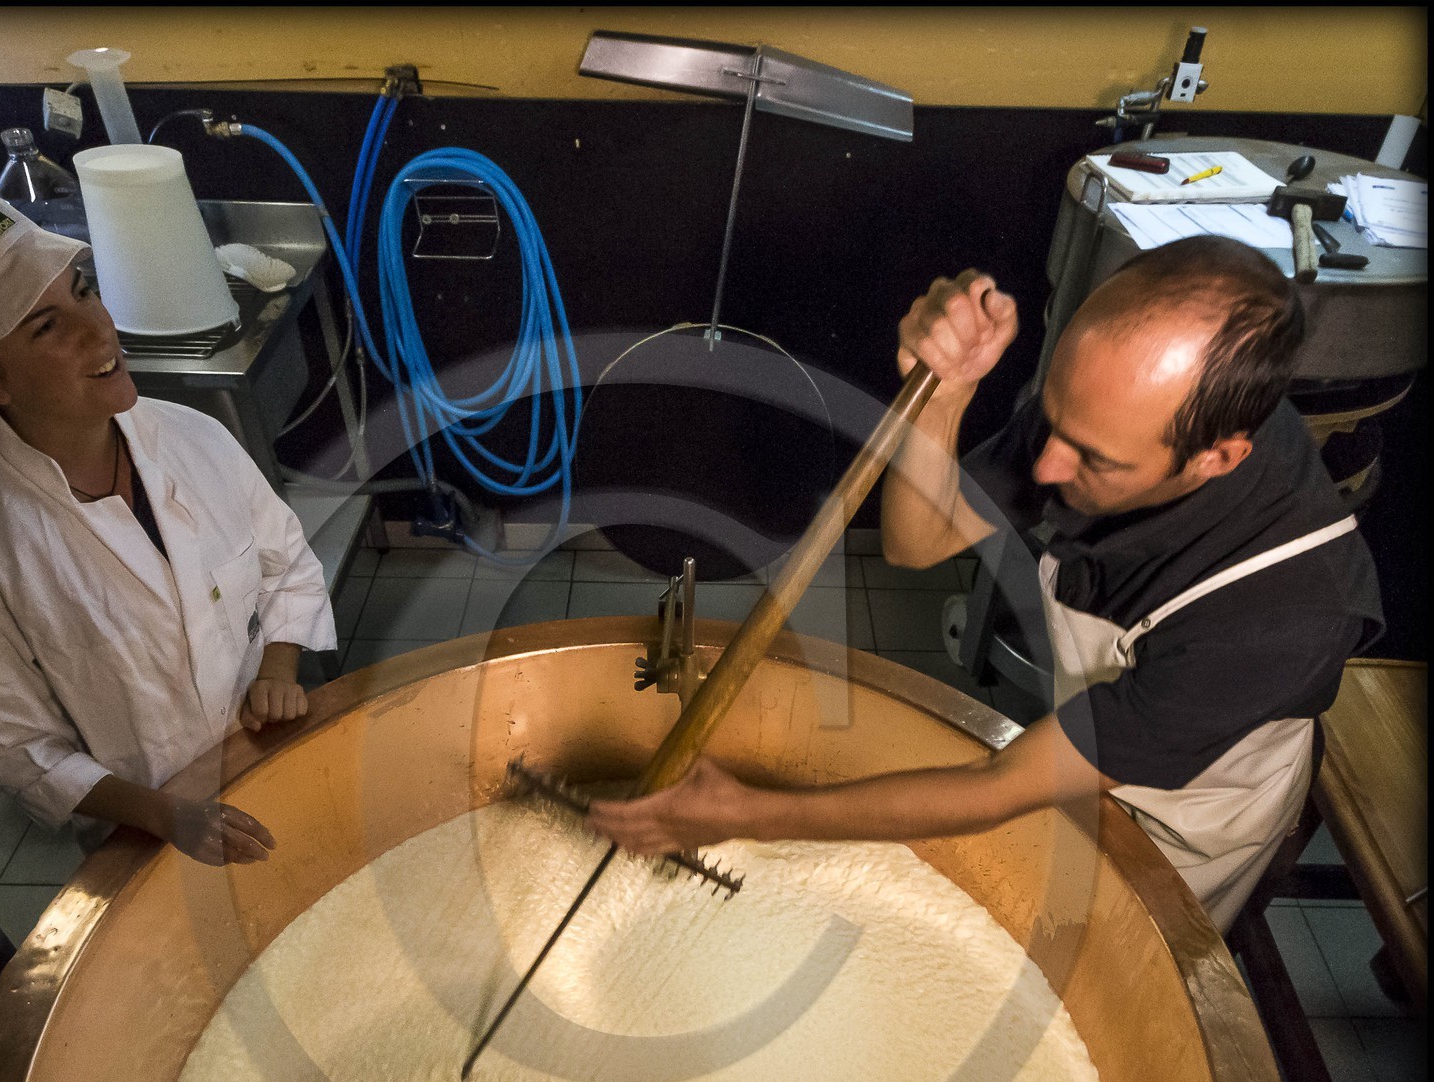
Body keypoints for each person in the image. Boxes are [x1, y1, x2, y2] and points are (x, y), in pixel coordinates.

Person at [590, 238, 1383, 933]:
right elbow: (915, 541)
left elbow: (1000, 783)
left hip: (1188, 815)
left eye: (1093, 461)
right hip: (1091, 722)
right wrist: (944, 391)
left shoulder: (1274, 617)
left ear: (1219, 457)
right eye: (1057, 426)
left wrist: (750, 815)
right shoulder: (1114, 409)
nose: (1045, 470)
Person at [0, 184, 336, 866]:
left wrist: (278, 663)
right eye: (46, 326)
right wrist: (164, 814)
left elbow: (285, 563)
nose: (100, 330)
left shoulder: (192, 436)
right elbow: (4, 738)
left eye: (83, 291)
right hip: (147, 834)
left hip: (275, 759)